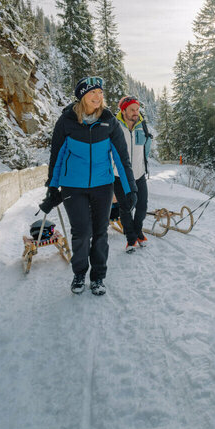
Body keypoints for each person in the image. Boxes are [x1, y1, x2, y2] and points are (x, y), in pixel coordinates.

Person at [41, 76, 137, 295]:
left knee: (100, 233)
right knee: (82, 232)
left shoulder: (109, 121)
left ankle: (98, 277)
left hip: (103, 186)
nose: (98, 96)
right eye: (93, 92)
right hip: (72, 187)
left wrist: (130, 187)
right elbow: (56, 156)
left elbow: (122, 157)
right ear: (82, 96)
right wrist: (52, 187)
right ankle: (79, 273)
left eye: (100, 93)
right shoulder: (67, 121)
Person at [114, 95, 153, 252]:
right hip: (120, 176)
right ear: (123, 111)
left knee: (142, 206)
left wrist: (144, 164)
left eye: (137, 109)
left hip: (138, 174)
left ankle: (138, 231)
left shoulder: (141, 126)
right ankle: (131, 239)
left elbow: (146, 146)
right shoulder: (115, 127)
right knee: (125, 208)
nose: (136, 112)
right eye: (132, 109)